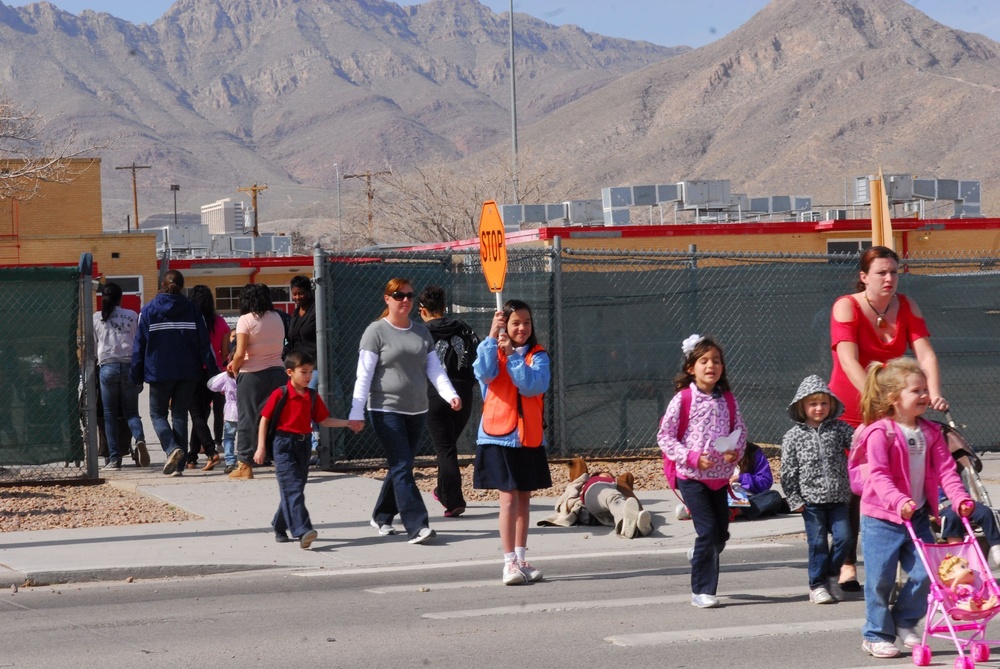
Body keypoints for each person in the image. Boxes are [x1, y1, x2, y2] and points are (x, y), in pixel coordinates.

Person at [829, 245, 949, 591]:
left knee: (898, 481)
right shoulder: (846, 306)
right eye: (881, 272)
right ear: (864, 277)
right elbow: (849, 361)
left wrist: (934, 390)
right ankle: (848, 562)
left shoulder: (908, 306)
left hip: (892, 407)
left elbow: (925, 355)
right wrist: (878, 400)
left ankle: (903, 561)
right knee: (856, 489)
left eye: (894, 272)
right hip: (853, 408)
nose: (889, 278)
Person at [855, 356, 972, 659]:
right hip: (881, 516)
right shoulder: (880, 432)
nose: (924, 396)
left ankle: (904, 621)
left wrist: (958, 498)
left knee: (926, 573)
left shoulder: (931, 433)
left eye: (924, 390)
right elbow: (878, 474)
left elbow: (947, 471)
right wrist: (898, 500)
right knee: (880, 578)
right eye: (916, 391)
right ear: (895, 399)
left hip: (917, 515)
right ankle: (876, 634)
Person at [348, 278, 461, 546]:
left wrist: (450, 394)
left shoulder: (421, 333)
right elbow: (363, 375)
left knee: (401, 465)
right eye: (399, 295)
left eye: (410, 296)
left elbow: (434, 369)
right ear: (387, 299)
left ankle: (382, 515)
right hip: (385, 409)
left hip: (417, 410)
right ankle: (417, 525)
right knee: (401, 466)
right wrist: (356, 411)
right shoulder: (375, 331)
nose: (405, 300)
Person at [657, 334, 746, 609]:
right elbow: (665, 437)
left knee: (720, 535)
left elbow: (740, 431)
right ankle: (702, 591)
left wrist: (736, 451)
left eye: (716, 361)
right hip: (692, 478)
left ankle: (699, 552)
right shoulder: (682, 399)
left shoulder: (728, 400)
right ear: (690, 368)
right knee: (707, 533)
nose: (711, 366)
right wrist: (692, 457)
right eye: (704, 361)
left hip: (719, 480)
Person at [473, 299, 552, 585]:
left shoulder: (538, 356)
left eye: (527, 323)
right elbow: (483, 373)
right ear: (505, 324)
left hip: (528, 438)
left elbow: (533, 385)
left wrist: (515, 357)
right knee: (507, 499)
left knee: (524, 500)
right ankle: (508, 562)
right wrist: (491, 338)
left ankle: (521, 558)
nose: (522, 328)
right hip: (500, 437)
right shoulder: (493, 351)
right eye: (515, 322)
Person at [255, 350, 350, 549]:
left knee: (295, 488)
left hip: (303, 444)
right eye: (304, 372)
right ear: (290, 372)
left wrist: (347, 423)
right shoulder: (280, 394)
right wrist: (261, 447)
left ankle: (279, 525)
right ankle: (303, 530)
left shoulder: (312, 396)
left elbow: (323, 420)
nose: (309, 376)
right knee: (293, 488)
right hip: (283, 444)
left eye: (311, 372)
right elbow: (265, 419)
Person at [130, 270, 218, 477]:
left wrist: (136, 374)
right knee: (179, 415)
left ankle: (171, 449)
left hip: (159, 372)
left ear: (162, 284)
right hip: (188, 372)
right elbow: (204, 344)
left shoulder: (149, 310)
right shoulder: (193, 310)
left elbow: (139, 345)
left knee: (157, 414)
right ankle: (178, 466)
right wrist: (212, 371)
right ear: (182, 285)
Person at [779, 374, 855, 605]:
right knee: (818, 543)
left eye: (823, 403)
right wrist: (794, 498)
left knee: (845, 538)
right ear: (802, 406)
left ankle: (831, 575)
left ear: (831, 404)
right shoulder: (793, 436)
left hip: (839, 498)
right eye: (813, 404)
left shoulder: (839, 429)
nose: (819, 408)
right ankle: (817, 585)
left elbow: (859, 444)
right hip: (811, 502)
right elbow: (788, 470)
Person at [417, 285, 480, 518]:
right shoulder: (463, 328)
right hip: (462, 391)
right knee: (448, 446)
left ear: (422, 310)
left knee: (445, 448)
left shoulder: (420, 332)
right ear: (444, 307)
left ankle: (453, 500)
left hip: (435, 393)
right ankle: (443, 490)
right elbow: (477, 354)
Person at [227, 284, 286, 480]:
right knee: (274, 420)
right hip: (278, 372)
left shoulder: (245, 320)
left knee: (247, 419)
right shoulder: (277, 317)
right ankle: (283, 460)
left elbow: (240, 352)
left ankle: (244, 464)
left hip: (252, 375)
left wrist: (234, 368)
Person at [93, 282, 148, 470]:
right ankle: (139, 439)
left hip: (107, 366)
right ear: (120, 298)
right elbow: (139, 342)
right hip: (129, 366)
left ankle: (114, 458)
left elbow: (94, 347)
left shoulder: (96, 318)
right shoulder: (133, 316)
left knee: (109, 415)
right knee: (131, 412)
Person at [538, 457, 653, 539]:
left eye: (610, 475)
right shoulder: (592, 481)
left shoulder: (619, 483)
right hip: (596, 494)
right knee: (611, 496)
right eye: (604, 473)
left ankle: (636, 526)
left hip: (616, 504)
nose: (608, 475)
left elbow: (628, 479)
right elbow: (577, 463)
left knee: (625, 503)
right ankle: (627, 523)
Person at [186, 285, 230, 471]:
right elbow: (226, 352)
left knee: (197, 415)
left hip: (194, 371)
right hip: (215, 372)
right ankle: (192, 456)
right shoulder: (220, 322)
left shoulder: (190, 322)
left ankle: (211, 451)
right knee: (202, 415)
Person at [207, 369, 238, 474]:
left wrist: (223, 386)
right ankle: (245, 460)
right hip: (247, 411)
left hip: (231, 412)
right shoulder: (250, 373)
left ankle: (230, 461)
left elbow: (211, 384)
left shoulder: (227, 375)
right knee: (246, 437)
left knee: (229, 438)